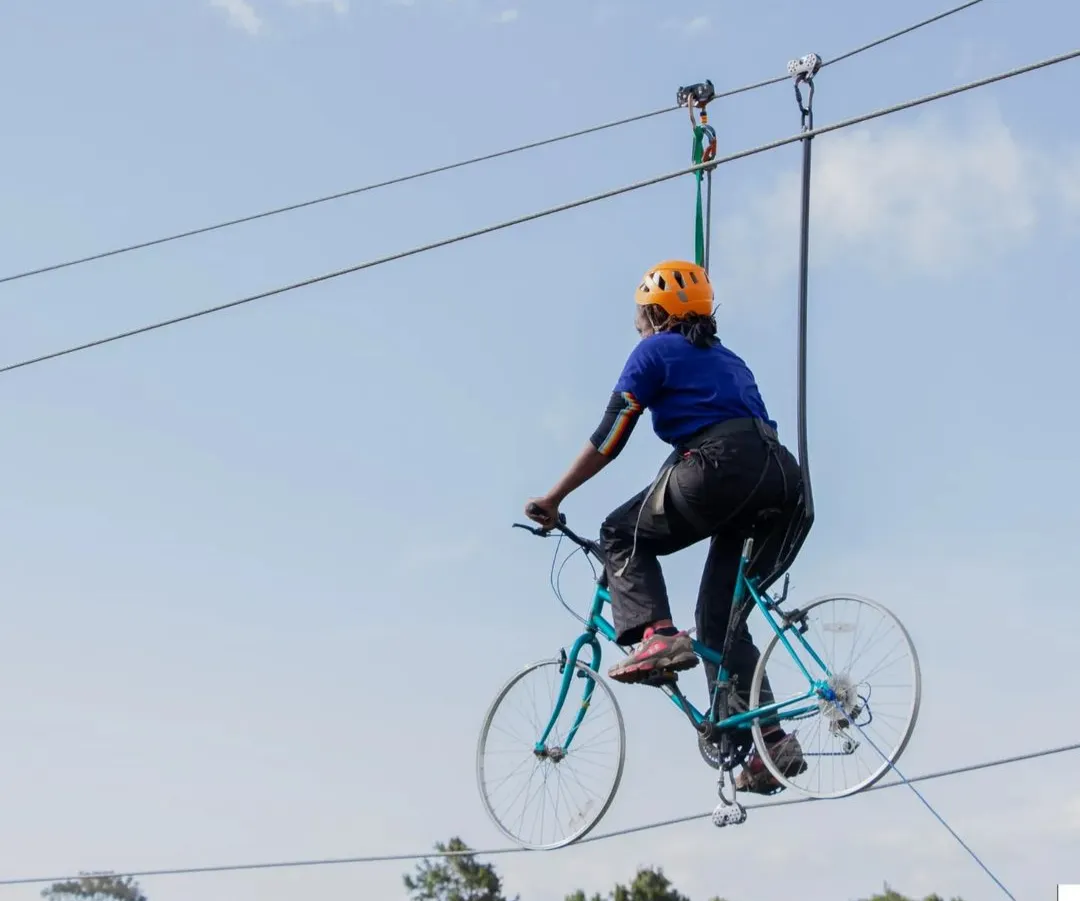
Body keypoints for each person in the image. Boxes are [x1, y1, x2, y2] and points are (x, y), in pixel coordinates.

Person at [525, 259, 807, 794]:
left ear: (656, 313)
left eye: (638, 316)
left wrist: (555, 496)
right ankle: (771, 742)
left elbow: (611, 435)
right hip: (781, 478)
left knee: (619, 532)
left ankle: (656, 636)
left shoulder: (653, 350)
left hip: (721, 466)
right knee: (721, 618)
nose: (635, 325)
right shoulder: (730, 360)